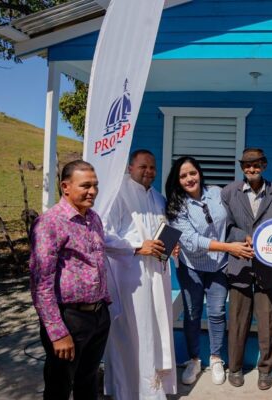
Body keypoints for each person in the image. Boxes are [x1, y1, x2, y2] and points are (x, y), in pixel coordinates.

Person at [166, 156, 254, 386]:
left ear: (199, 173)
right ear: (177, 180)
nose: (189, 178)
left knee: (216, 312)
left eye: (192, 173)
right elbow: (192, 240)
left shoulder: (216, 193)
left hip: (218, 265)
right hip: (191, 267)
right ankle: (194, 359)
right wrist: (229, 247)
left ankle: (216, 358)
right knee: (192, 313)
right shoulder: (177, 205)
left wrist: (242, 235)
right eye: (183, 176)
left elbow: (231, 221)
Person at [29, 160, 110, 400]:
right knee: (59, 387)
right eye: (85, 185)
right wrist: (57, 332)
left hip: (98, 316)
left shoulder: (93, 218)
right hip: (69, 319)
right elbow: (41, 284)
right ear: (65, 187)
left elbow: (98, 262)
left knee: (88, 381)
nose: (93, 191)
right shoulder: (49, 223)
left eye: (95, 185)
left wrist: (104, 305)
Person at [102, 149, 177, 399]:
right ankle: (130, 390)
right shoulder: (117, 194)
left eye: (152, 167)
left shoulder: (157, 197)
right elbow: (104, 234)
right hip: (131, 274)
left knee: (155, 328)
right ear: (130, 168)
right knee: (134, 330)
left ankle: (154, 388)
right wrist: (136, 247)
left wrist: (171, 245)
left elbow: (164, 229)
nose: (148, 172)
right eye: (143, 166)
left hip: (157, 273)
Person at [221, 148, 272, 390]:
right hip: (240, 263)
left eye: (256, 164)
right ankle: (235, 367)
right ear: (242, 168)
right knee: (238, 319)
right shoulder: (229, 192)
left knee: (268, 319)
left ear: (264, 165)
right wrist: (243, 237)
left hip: (269, 265)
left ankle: (266, 370)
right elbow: (225, 226)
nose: (252, 169)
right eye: (247, 165)